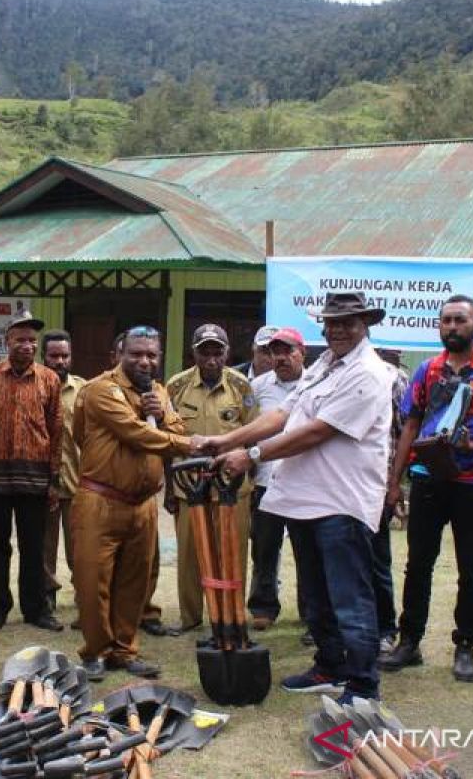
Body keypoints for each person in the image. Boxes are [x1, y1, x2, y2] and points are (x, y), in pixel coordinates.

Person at [206, 292, 392, 704]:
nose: (338, 329)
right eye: (332, 322)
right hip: (305, 500)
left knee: (350, 598)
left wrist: (250, 455)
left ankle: (363, 686)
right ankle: (330, 666)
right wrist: (225, 440)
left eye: (348, 322)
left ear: (365, 325)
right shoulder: (324, 365)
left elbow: (315, 432)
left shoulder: (368, 373)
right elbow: (280, 415)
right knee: (317, 596)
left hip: (342, 503)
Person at [380, 294, 473, 683]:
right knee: (417, 565)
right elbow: (410, 425)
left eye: (460, 320)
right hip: (427, 480)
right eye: (446, 320)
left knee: (471, 568)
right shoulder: (428, 371)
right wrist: (394, 483)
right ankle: (409, 643)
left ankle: (465, 646)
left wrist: (472, 447)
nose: (452, 327)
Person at [73, 325, 195, 680]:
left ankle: (124, 651)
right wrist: (190, 445)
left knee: (135, 580)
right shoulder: (100, 389)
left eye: (151, 355)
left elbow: (176, 429)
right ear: (119, 355)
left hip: (143, 504)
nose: (144, 361)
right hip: (101, 499)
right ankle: (95, 651)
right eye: (136, 354)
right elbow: (135, 433)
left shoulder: (158, 391)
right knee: (93, 580)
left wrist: (164, 413)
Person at [164, 324, 258, 636]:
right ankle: (190, 617)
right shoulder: (175, 387)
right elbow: (165, 439)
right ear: (194, 352)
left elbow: (254, 434)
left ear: (227, 352)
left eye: (218, 351)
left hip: (232, 486)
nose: (212, 357)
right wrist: (168, 488)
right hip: (189, 486)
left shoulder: (241, 387)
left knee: (232, 555)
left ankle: (230, 616)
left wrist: (250, 482)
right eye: (205, 350)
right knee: (190, 555)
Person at [0, 310, 63, 633]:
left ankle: (36, 609)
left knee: (33, 547)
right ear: (5, 342)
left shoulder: (50, 379)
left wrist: (54, 481)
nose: (27, 345)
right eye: (20, 339)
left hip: (35, 479)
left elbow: (57, 432)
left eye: (31, 340)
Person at [246, 326, 306, 631]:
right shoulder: (258, 386)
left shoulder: (315, 384)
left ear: (302, 353)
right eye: (275, 352)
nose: (281, 358)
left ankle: (310, 612)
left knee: (307, 551)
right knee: (264, 548)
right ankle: (263, 607)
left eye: (288, 351)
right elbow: (248, 429)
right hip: (265, 481)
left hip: (304, 482)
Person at [41, 329, 85, 614]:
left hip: (79, 483)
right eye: (54, 356)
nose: (59, 361)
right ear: (43, 357)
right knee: (44, 548)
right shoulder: (34, 387)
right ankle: (46, 598)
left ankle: (84, 596)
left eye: (64, 355)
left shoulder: (84, 390)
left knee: (80, 548)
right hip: (43, 484)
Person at [374, 347, 411, 655]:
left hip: (376, 484)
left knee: (375, 559)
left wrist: (395, 483)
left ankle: (385, 628)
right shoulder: (330, 372)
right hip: (340, 483)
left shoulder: (395, 379)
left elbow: (403, 433)